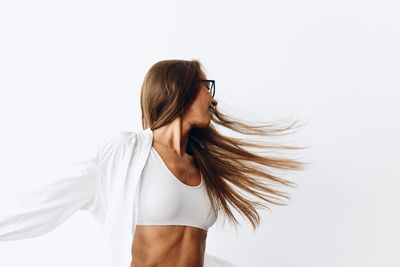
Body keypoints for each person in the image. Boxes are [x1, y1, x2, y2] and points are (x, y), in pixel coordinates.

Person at [0, 59, 309, 267]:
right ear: (181, 90)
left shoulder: (204, 168)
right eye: (206, 87)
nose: (213, 100)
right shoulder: (122, 154)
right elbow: (36, 205)